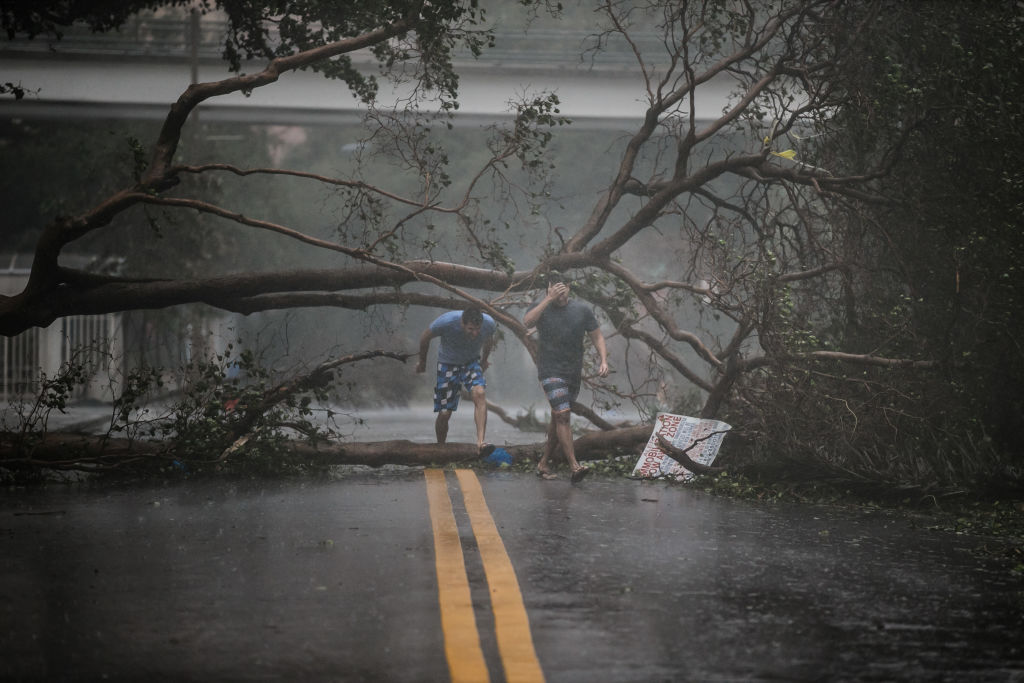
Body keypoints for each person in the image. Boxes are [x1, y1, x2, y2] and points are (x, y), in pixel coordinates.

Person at [523, 272, 609, 482]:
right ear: (549, 288)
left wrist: (603, 360)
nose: (560, 296)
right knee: (563, 415)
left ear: (569, 288)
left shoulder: (582, 310)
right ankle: (574, 466)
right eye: (556, 291)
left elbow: (597, 336)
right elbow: (527, 322)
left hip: (572, 372)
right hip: (550, 370)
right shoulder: (541, 306)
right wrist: (548, 299)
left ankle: (543, 463)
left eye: (563, 291)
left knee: (558, 417)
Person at [416, 308, 497, 456]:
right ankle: (441, 448)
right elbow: (425, 337)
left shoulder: (489, 323)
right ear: (462, 323)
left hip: (471, 362)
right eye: (471, 329)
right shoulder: (446, 322)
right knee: (445, 413)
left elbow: (489, 339)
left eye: (477, 329)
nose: (475, 333)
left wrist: (484, 359)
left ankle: (481, 443)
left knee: (479, 393)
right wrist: (422, 362)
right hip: (448, 364)